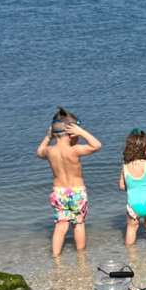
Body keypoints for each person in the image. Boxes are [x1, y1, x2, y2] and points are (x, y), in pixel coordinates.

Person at [37, 109, 102, 256]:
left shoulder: (50, 151)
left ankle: (55, 256)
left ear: (54, 133)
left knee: (61, 225)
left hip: (59, 193)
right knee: (78, 224)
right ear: (72, 133)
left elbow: (39, 151)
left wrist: (48, 137)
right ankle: (81, 256)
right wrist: (82, 132)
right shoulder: (75, 150)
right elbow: (96, 145)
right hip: (76, 191)